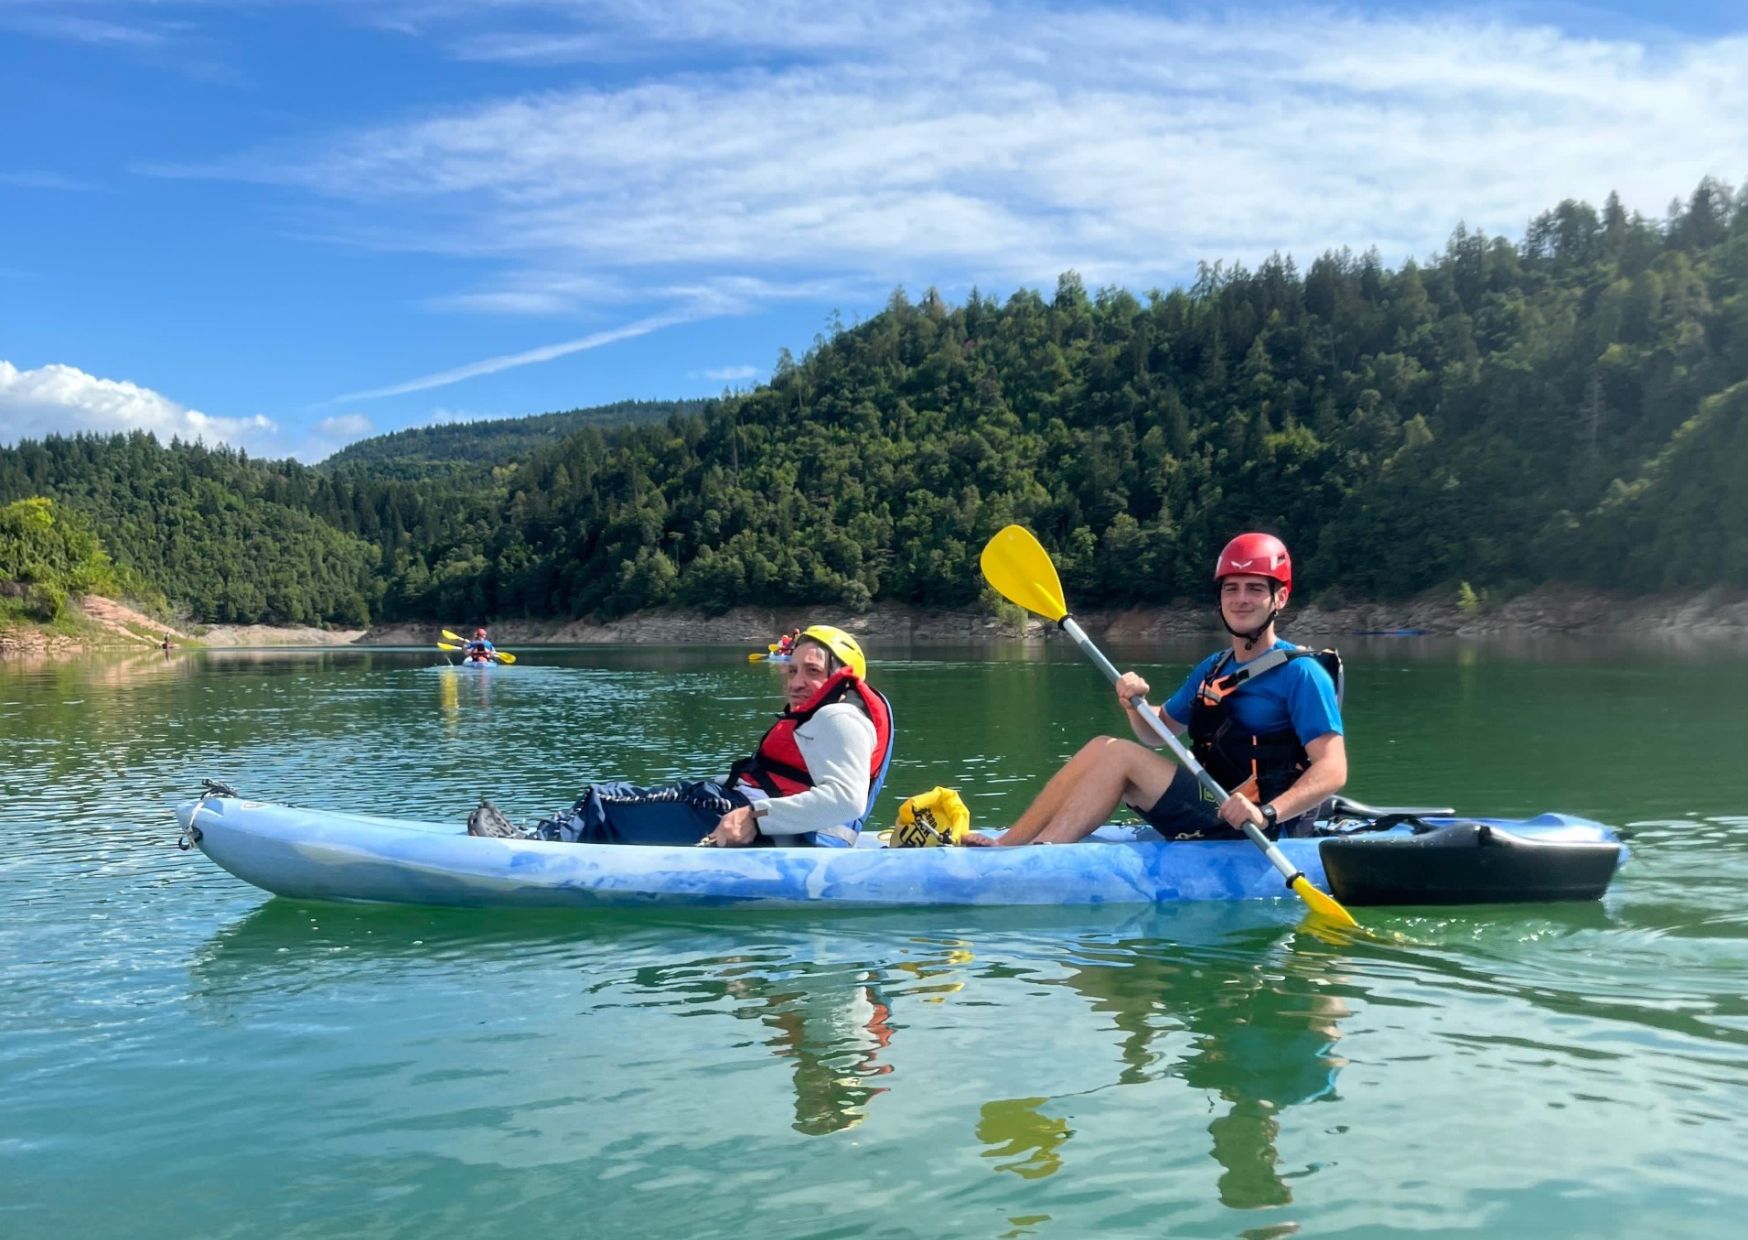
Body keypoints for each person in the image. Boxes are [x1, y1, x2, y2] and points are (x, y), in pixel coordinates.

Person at [970, 532, 1346, 846]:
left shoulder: (1302, 673)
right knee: (1102, 746)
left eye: (1255, 588)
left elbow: (1333, 769)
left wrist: (1267, 813)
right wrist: (1135, 703)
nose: (1241, 599)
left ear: (1280, 598)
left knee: (1119, 756)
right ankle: (1010, 844)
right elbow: (1158, 731)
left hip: (1262, 827)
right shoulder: (1214, 668)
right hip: (1215, 802)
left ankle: (1044, 854)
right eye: (1231, 588)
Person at [468, 624, 893, 848]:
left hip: (767, 830)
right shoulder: (833, 713)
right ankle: (558, 837)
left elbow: (847, 800)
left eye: (811, 671)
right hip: (771, 826)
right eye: (793, 669)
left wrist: (753, 817)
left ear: (841, 677)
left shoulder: (839, 716)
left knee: (605, 800)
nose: (796, 682)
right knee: (638, 797)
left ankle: (530, 846)